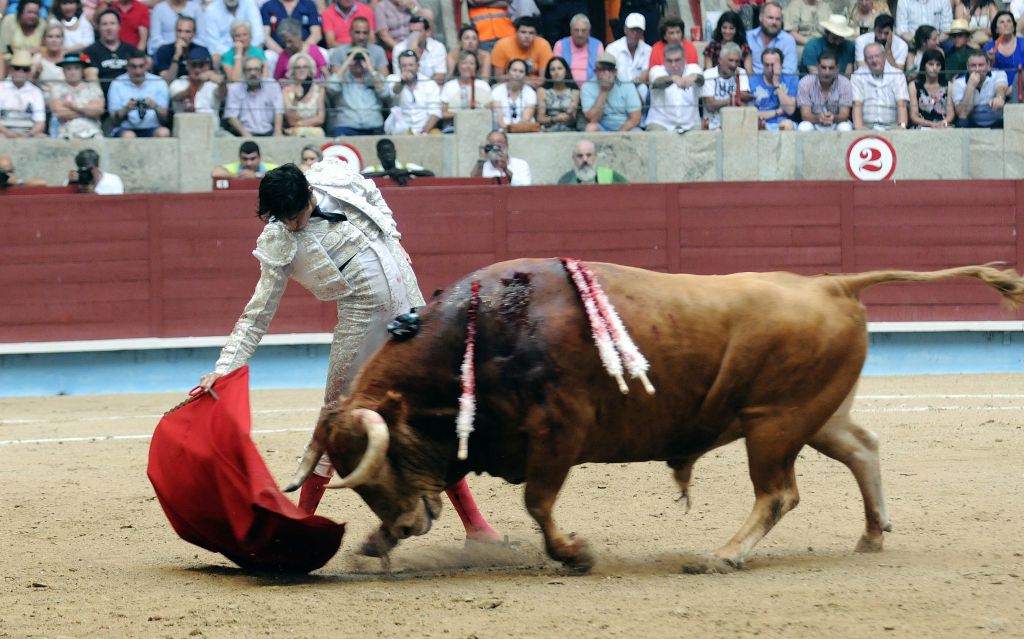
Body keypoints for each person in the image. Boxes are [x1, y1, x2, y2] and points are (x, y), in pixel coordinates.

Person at [196, 160, 503, 549]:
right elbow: (257, 315)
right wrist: (224, 369)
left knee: (431, 411)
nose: (292, 225)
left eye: (296, 215)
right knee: (336, 421)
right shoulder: (280, 240)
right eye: (283, 218)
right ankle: (301, 524)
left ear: (309, 193)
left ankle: (476, 526)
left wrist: (392, 240)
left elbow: (375, 198)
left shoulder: (336, 180)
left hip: (411, 305)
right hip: (362, 325)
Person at [107, 49, 170, 138]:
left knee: (164, 133)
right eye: (133, 66)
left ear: (146, 66)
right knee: (128, 135)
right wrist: (126, 108)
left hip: (152, 127)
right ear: (127, 66)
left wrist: (155, 107)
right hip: (126, 128)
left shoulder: (158, 82)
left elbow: (165, 117)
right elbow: (113, 120)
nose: (138, 71)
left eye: (141, 66)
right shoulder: (117, 84)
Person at [325, 45, 385, 136]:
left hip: (373, 125)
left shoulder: (375, 77)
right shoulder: (342, 77)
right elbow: (331, 88)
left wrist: (371, 69)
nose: (358, 63)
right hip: (346, 125)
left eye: (362, 59)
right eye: (354, 59)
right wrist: (345, 65)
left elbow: (385, 92)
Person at [646, 42, 703, 132]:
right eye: (669, 61)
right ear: (664, 60)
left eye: (677, 60)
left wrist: (695, 77)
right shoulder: (656, 70)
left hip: (690, 124)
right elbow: (658, 82)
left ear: (685, 59)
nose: (673, 64)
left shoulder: (693, 69)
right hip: (660, 123)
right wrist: (672, 79)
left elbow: (702, 81)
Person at [852, 41, 909, 129]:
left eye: (877, 56)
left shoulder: (898, 75)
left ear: (884, 56)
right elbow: (856, 104)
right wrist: (859, 127)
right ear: (865, 60)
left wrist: (901, 126)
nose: (874, 60)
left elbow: (902, 103)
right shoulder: (857, 76)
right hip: (866, 126)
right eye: (870, 58)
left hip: (892, 126)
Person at [383, 48, 440, 135]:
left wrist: (424, 131)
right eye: (404, 66)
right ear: (399, 67)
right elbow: (394, 92)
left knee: (437, 134)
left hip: (424, 130)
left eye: (411, 65)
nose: (408, 69)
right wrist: (402, 82)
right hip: (400, 131)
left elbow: (435, 112)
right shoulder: (392, 79)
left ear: (418, 66)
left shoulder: (429, 83)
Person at [223, 56, 284, 136]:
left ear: (262, 71)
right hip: (243, 133)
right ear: (244, 72)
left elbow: (279, 111)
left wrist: (277, 131)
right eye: (249, 70)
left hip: (269, 132)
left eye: (256, 69)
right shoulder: (235, 88)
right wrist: (246, 135)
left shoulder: (272, 85)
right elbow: (231, 116)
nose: (252, 73)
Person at [581, 51, 641, 132]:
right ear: (595, 72)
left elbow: (635, 118)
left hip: (625, 127)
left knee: (637, 132)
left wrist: (618, 135)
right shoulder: (587, 86)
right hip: (602, 127)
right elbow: (592, 119)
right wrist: (603, 91)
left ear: (616, 72)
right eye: (602, 69)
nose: (606, 73)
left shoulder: (627, 84)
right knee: (591, 128)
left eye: (609, 69)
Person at [48, 50, 103, 138]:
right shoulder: (56, 89)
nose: (72, 72)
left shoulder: (93, 88)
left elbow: (98, 111)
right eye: (68, 68)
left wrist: (73, 106)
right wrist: (87, 110)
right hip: (66, 133)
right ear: (63, 71)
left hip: (92, 132)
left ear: (82, 70)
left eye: (76, 68)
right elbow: (60, 113)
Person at [196, 0, 265, 67]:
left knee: (261, 56)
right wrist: (233, 53)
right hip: (224, 53)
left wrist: (246, 52)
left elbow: (258, 36)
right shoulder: (211, 9)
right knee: (216, 57)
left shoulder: (249, 3)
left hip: (249, 49)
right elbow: (213, 43)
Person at [797, 49, 853, 130]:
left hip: (836, 122)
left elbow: (844, 114)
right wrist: (819, 118)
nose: (827, 72)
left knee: (845, 127)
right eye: (823, 67)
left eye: (831, 68)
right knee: (804, 127)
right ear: (817, 67)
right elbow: (805, 115)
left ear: (837, 68)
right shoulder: (805, 83)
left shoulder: (845, 83)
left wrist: (833, 117)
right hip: (814, 122)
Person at [168, 47, 223, 130]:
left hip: (212, 134)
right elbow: (178, 96)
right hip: (184, 133)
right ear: (187, 66)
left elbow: (223, 93)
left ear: (208, 66)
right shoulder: (178, 83)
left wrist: (222, 82)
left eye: (201, 65)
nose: (197, 70)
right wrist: (196, 83)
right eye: (193, 65)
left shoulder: (213, 84)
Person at [702, 41, 753, 130]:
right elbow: (710, 106)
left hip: (736, 125)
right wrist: (733, 99)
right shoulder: (708, 74)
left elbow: (743, 103)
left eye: (737, 61)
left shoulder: (741, 73)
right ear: (720, 60)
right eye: (730, 60)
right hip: (713, 126)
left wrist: (722, 102)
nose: (734, 65)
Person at [82, 9, 133, 96]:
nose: (109, 28)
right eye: (104, 24)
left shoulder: (131, 51)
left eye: (112, 23)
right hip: (101, 99)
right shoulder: (88, 52)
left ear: (119, 26)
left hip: (130, 97)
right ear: (98, 27)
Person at [952, 48, 1009, 127]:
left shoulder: (999, 74)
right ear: (967, 67)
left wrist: (999, 98)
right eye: (973, 66)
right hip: (972, 122)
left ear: (988, 65)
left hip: (996, 121)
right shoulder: (958, 83)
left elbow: (1001, 88)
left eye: (981, 65)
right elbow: (962, 115)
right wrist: (970, 86)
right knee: (961, 123)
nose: (977, 69)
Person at [489, 15, 551, 84]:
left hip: (534, 87)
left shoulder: (543, 45)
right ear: (516, 32)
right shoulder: (501, 45)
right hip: (507, 85)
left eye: (531, 33)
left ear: (536, 34)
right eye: (523, 32)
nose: (527, 36)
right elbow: (498, 78)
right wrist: (522, 80)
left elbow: (543, 79)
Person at [0, 49, 46, 137]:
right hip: (4, 131)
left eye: (25, 69)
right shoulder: (1, 88)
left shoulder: (36, 91)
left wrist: (29, 134)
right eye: (17, 68)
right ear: (11, 70)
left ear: (29, 72)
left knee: (43, 138)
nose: (21, 72)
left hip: (28, 131)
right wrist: (8, 133)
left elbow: (40, 122)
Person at [154, 16, 213, 83]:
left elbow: (210, 76)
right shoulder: (163, 51)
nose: (182, 36)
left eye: (187, 32)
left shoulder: (202, 51)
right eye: (179, 31)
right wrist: (176, 56)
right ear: (175, 32)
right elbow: (167, 81)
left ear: (194, 34)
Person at [439, 48, 491, 126]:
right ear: (458, 66)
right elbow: (444, 113)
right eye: (464, 63)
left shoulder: (483, 85)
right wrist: (464, 113)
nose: (468, 66)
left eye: (471, 63)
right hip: (453, 127)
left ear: (476, 67)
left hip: (479, 125)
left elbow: (489, 110)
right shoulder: (449, 86)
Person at [749, 47, 797, 130]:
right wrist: (777, 112)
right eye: (766, 65)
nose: (770, 69)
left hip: (784, 124)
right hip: (761, 124)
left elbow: (790, 110)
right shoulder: (752, 82)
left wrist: (777, 85)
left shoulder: (791, 79)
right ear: (762, 65)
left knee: (786, 125)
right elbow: (751, 115)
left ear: (781, 65)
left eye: (773, 65)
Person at [282, 51, 325, 136]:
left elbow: (320, 119)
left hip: (315, 130)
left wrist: (300, 123)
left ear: (310, 70)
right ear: (293, 70)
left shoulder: (319, 89)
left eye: (305, 67)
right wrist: (295, 100)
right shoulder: (286, 91)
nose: (301, 70)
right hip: (294, 132)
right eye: (298, 67)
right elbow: (291, 121)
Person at [908, 48, 954, 127]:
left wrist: (942, 123)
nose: (935, 68)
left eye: (938, 65)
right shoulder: (914, 86)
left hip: (943, 125)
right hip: (922, 126)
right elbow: (913, 115)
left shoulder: (948, 85)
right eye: (931, 64)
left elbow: (951, 114)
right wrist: (931, 124)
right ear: (924, 66)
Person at [748, 1, 798, 75]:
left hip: (779, 83)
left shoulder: (788, 41)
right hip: (751, 83)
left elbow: (789, 72)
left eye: (778, 19)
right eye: (770, 18)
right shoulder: (748, 37)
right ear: (760, 17)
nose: (774, 22)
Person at [552, 13, 604, 84]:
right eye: (577, 30)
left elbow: (600, 70)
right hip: (566, 87)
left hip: (592, 87)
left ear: (589, 32)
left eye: (583, 30)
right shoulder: (560, 45)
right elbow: (555, 70)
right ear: (571, 31)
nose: (580, 34)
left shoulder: (597, 45)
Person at [391, 15, 445, 83]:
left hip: (431, 90)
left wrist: (424, 88)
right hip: (407, 89)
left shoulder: (438, 47)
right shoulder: (398, 49)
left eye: (417, 32)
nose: (413, 35)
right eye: (411, 32)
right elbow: (399, 77)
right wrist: (412, 52)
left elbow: (440, 77)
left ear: (427, 32)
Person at [605, 13, 652, 89]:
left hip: (638, 87)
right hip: (617, 87)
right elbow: (609, 73)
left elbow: (645, 73)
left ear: (642, 32)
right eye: (632, 29)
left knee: (643, 88)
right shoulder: (612, 48)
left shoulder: (648, 50)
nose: (635, 33)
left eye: (638, 30)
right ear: (625, 29)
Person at [361, 137, 433, 184]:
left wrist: (407, 172)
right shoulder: (373, 169)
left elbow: (430, 174)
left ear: (395, 152)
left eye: (390, 151)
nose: (388, 155)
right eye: (384, 152)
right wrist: (388, 173)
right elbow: (360, 177)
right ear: (378, 155)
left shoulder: (406, 167)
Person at [983, 11, 1024, 94]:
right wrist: (990, 62)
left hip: (1020, 88)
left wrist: (1013, 88)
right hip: (997, 90)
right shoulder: (989, 47)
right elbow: (985, 74)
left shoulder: (1022, 44)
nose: (1006, 24)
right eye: (1002, 22)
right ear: (996, 29)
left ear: (1013, 27)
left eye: (1009, 21)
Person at [490, 57, 536, 130]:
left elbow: (526, 119)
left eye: (521, 71)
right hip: (501, 131)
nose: (517, 74)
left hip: (523, 131)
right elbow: (500, 120)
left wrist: (514, 129)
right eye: (514, 70)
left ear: (525, 76)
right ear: (508, 73)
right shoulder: (497, 91)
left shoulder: (530, 92)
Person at [536, 55, 578, 132]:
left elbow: (574, 120)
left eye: (560, 68)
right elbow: (540, 119)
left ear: (566, 71)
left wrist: (570, 114)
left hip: (570, 131)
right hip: (548, 131)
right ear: (549, 73)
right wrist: (555, 119)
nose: (556, 72)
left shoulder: (574, 91)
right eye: (553, 69)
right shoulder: (542, 91)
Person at [703, 11, 753, 76]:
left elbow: (749, 73)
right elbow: (708, 74)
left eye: (731, 28)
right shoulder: (712, 47)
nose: (727, 31)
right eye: (724, 28)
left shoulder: (744, 48)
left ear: (737, 29)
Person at [557, 139, 628, 184]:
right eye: (580, 156)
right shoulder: (565, 180)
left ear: (595, 157)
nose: (585, 160)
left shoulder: (610, 176)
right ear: (573, 158)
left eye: (588, 155)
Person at [212, 140, 278, 178]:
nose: (248, 163)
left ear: (259, 157)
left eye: (252, 158)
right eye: (245, 159)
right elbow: (215, 172)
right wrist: (237, 175)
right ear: (239, 158)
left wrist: (256, 175)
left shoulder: (270, 167)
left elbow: (284, 175)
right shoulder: (234, 167)